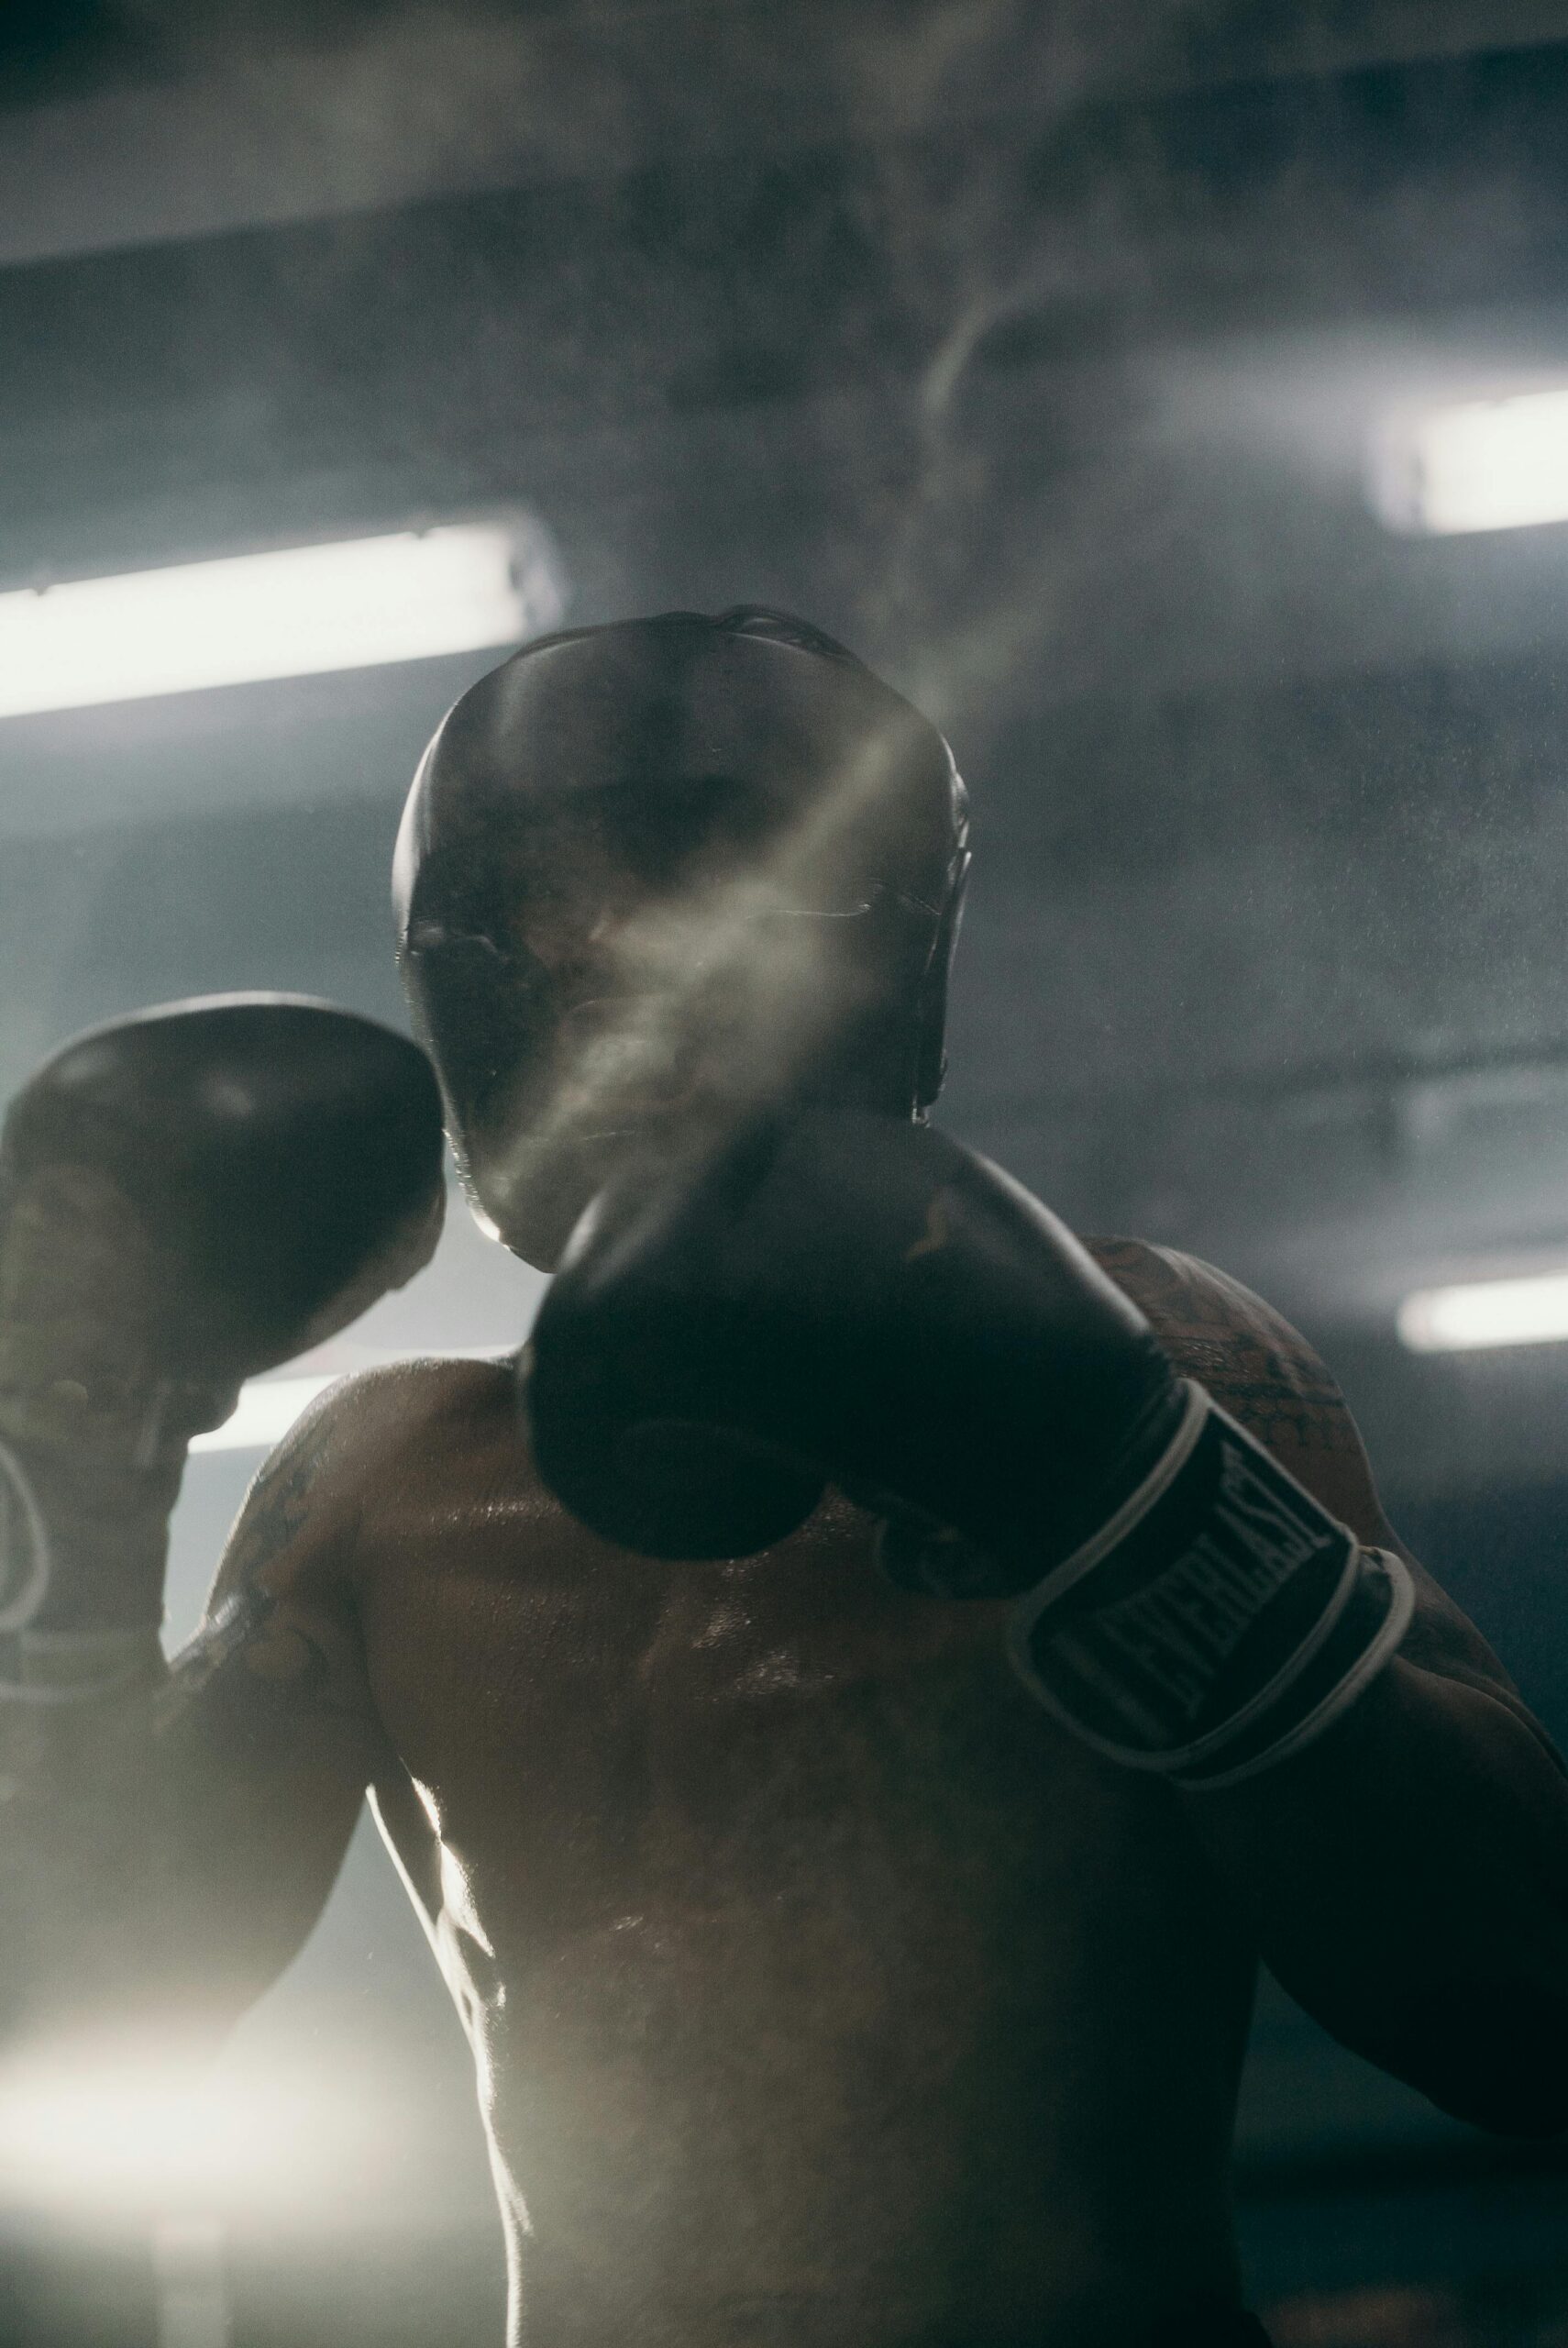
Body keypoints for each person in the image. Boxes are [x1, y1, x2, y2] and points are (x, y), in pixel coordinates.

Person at [2, 610, 1565, 2348]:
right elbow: (72, 2000)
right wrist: (66, 1459)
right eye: (550, 913)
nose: (637, 991)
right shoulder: (379, 1489)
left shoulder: (1155, 1355)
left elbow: (1523, 2014)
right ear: (458, 970)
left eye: (717, 907)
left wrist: (1117, 1489)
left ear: (885, 952)